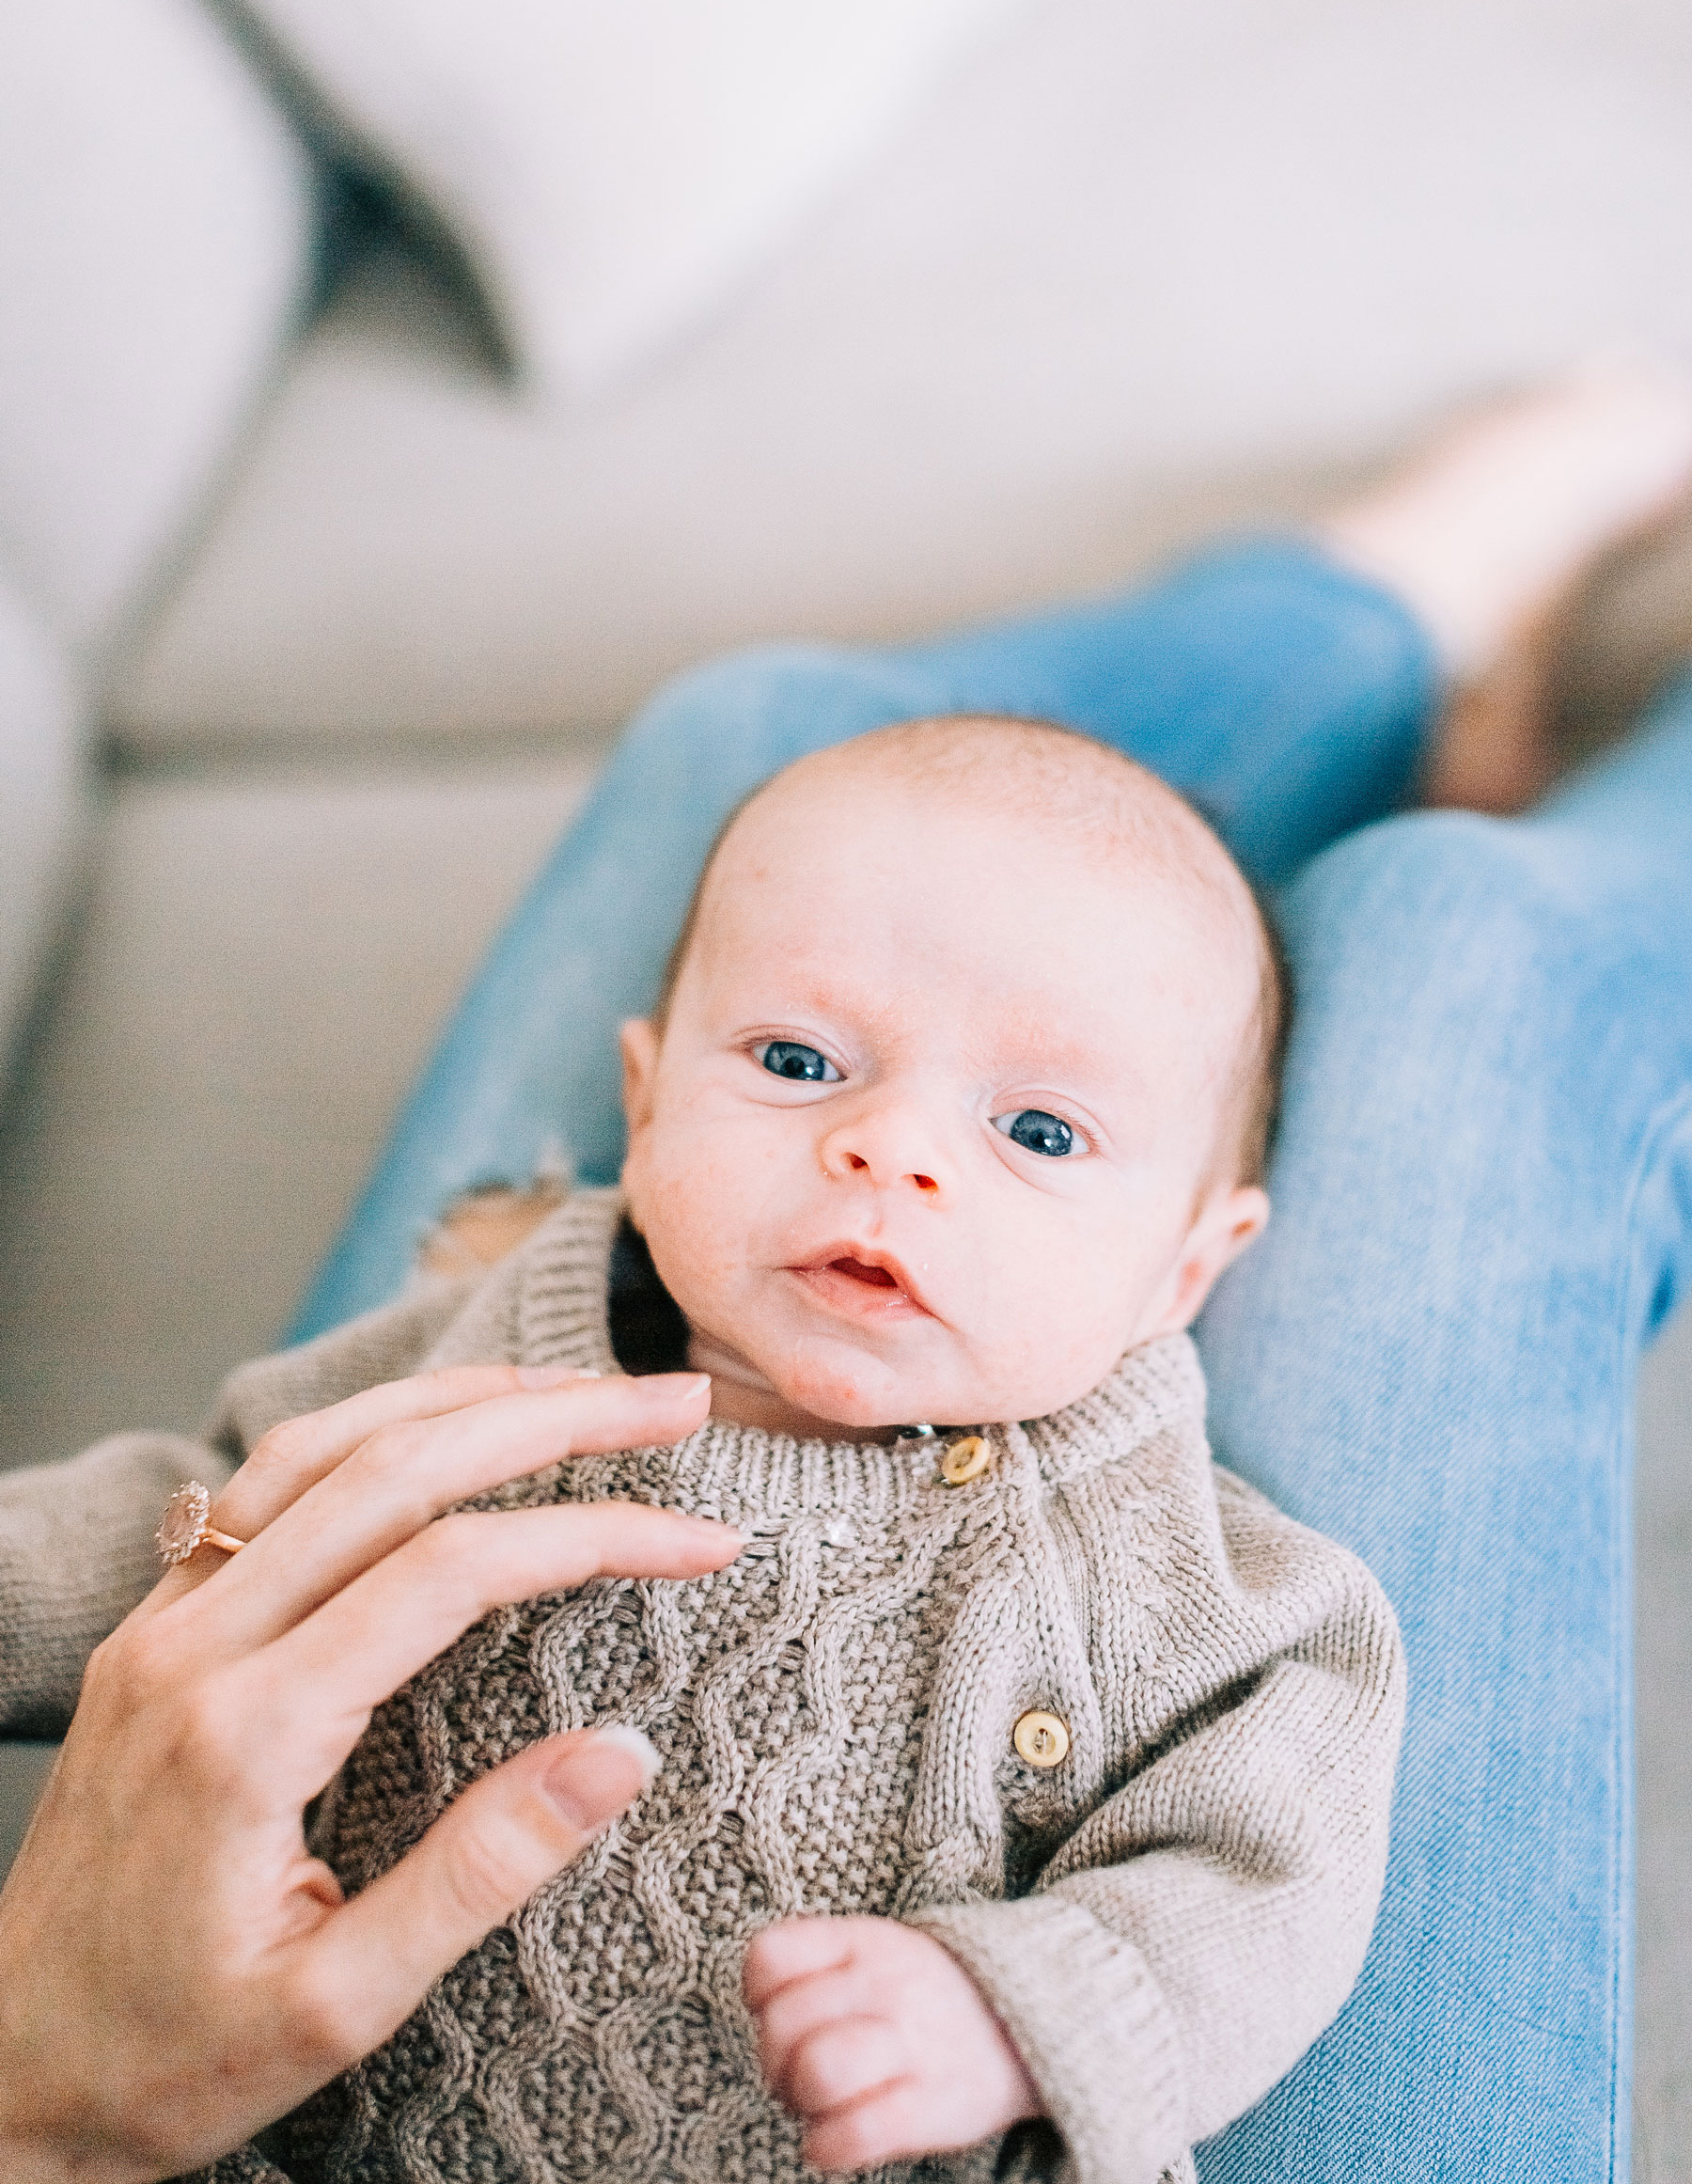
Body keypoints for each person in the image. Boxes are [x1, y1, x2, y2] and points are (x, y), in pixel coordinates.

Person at [3, 368, 1692, 2181]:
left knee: (768, 728)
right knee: (1464, 940)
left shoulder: (1214, 1591)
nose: (892, 1153)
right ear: (641, 1111)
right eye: (797, 1066)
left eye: (1040, 1135)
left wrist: (1018, 2008)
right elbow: (190, 1523)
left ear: (1190, 1268)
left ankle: (1401, 605)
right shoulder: (474, 1358)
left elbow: (1258, 1864)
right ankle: (1397, 627)